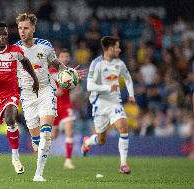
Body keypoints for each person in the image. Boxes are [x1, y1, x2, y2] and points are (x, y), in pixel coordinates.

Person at [15, 13, 85, 181]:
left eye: (25, 28)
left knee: (46, 134)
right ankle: (36, 143)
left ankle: (38, 174)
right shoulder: (14, 50)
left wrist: (69, 72)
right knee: (37, 140)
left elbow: (56, 64)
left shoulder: (45, 46)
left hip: (46, 91)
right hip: (27, 96)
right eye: (19, 28)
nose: (22, 32)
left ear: (33, 28)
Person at [0, 22, 39, 176]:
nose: (3, 37)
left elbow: (26, 63)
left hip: (10, 94)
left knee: (11, 119)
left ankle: (15, 158)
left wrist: (35, 79)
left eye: (5, 34)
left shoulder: (15, 51)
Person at [81, 36, 135, 174]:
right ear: (110, 49)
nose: (120, 49)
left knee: (123, 127)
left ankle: (123, 165)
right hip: (100, 104)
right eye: (117, 47)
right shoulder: (96, 64)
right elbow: (89, 85)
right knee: (101, 140)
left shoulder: (120, 64)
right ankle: (87, 142)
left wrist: (131, 94)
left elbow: (128, 78)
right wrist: (107, 88)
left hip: (114, 102)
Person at [49, 49, 76, 169]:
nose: (65, 58)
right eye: (63, 56)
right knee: (53, 135)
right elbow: (44, 87)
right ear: (58, 58)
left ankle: (68, 161)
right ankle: (37, 144)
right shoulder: (51, 72)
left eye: (67, 56)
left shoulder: (71, 72)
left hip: (66, 106)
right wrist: (55, 91)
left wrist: (74, 81)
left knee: (69, 131)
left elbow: (73, 86)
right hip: (54, 107)